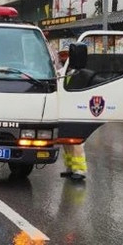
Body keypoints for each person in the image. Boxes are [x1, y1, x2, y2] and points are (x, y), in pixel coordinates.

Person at [52, 43, 88, 181]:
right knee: (67, 143)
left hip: (76, 112)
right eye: (61, 56)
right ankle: (70, 168)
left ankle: (80, 170)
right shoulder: (64, 72)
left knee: (76, 143)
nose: (62, 59)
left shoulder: (79, 73)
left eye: (65, 56)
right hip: (66, 111)